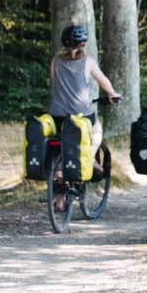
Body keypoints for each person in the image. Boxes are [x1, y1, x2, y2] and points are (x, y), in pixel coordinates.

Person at [51, 25, 121, 208]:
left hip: (57, 114)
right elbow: (103, 80)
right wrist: (112, 93)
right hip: (81, 113)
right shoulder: (87, 61)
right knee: (97, 130)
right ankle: (88, 157)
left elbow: (54, 82)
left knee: (60, 149)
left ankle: (59, 202)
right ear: (83, 43)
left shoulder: (56, 61)